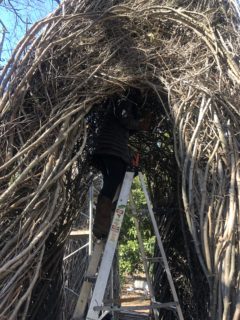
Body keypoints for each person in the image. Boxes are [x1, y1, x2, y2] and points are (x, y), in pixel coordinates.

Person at [91, 88, 151, 239]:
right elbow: (125, 119)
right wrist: (140, 124)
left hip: (109, 147)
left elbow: (126, 126)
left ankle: (103, 223)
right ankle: (102, 224)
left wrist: (138, 124)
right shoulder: (126, 98)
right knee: (114, 180)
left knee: (112, 183)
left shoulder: (122, 101)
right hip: (112, 147)